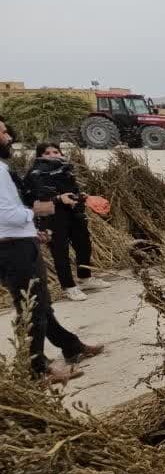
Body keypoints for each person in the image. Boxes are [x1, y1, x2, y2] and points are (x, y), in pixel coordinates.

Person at [0, 120, 103, 384]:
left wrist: (31, 228)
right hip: (12, 248)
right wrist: (41, 210)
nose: (8, 136)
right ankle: (36, 369)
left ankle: (70, 346)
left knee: (40, 302)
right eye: (2, 132)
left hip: (18, 240)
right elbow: (6, 214)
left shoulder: (3, 168)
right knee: (32, 307)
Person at [25, 144, 111, 300]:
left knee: (83, 245)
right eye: (47, 153)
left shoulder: (65, 169)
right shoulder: (35, 173)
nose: (52, 155)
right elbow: (32, 198)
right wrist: (58, 199)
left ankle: (85, 278)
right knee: (60, 251)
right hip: (52, 216)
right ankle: (69, 286)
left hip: (73, 213)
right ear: (39, 156)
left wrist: (81, 196)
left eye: (55, 151)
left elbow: (72, 189)